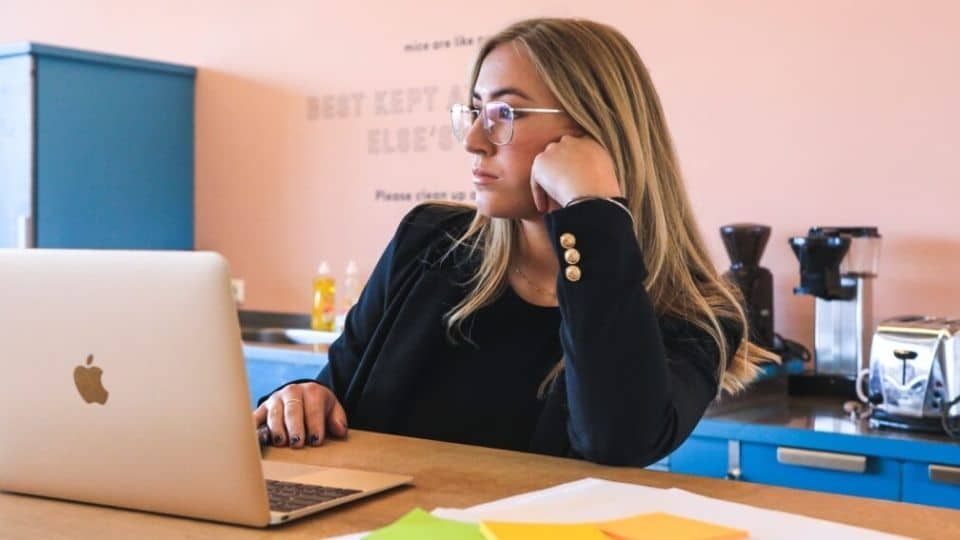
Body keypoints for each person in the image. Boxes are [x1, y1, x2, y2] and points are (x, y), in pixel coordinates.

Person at [254, 17, 776, 466]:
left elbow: (619, 442)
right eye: (475, 110)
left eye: (505, 114)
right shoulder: (428, 242)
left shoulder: (694, 314)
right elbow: (334, 391)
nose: (474, 139)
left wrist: (593, 212)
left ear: (593, 132)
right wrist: (305, 398)